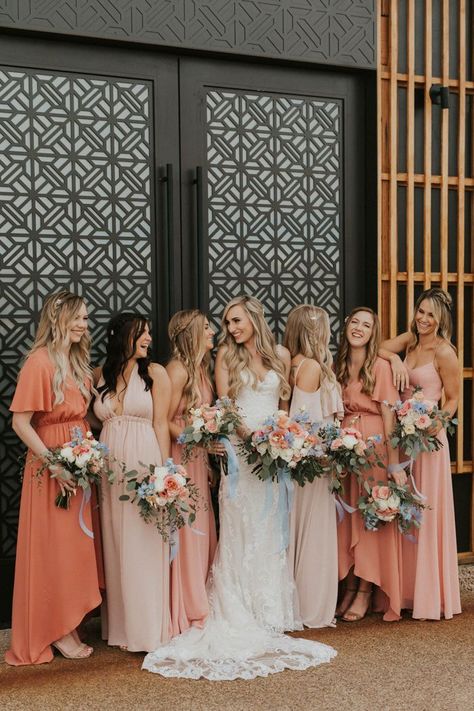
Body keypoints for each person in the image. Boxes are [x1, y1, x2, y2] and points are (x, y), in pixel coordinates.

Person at [142, 295, 336, 680]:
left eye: (236, 321)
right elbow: (225, 407)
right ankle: (239, 606)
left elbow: (284, 403)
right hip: (241, 455)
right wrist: (248, 435)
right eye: (227, 322)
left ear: (255, 317)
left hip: (272, 453)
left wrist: (282, 437)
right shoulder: (225, 358)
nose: (231, 329)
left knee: (270, 528)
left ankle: (271, 610)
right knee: (241, 526)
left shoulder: (280, 355)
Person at [6, 291, 101, 664]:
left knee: (74, 546)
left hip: (77, 461)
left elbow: (84, 417)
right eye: (78, 318)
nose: (83, 325)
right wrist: (55, 464)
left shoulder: (76, 361)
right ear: (58, 318)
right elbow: (19, 422)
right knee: (55, 546)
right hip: (51, 466)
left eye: (87, 319)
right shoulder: (40, 362)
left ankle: (68, 620)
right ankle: (57, 630)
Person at [379, 288, 461, 620]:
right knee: (406, 511)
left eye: (430, 314)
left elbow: (453, 399)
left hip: (428, 438)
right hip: (402, 433)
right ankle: (408, 591)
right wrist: (396, 358)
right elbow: (381, 348)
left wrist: (433, 424)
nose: (423, 319)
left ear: (441, 319)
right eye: (420, 311)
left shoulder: (445, 352)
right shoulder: (409, 341)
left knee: (426, 510)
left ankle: (431, 595)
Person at [93, 313, 172, 651]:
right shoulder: (100, 375)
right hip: (110, 469)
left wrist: (164, 471)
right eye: (142, 332)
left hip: (144, 461)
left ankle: (148, 628)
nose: (148, 338)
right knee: (115, 541)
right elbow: (91, 422)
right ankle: (122, 628)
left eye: (150, 333)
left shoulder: (155, 373)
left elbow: (161, 423)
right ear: (123, 336)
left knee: (143, 540)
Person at [335, 307, 406, 622]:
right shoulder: (338, 364)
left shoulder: (380, 366)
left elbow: (390, 418)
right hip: (346, 447)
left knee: (368, 517)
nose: (359, 328)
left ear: (373, 333)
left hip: (375, 446)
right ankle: (349, 584)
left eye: (366, 325)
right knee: (346, 518)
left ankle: (365, 589)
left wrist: (394, 466)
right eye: (355, 322)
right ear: (347, 326)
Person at [284, 304, 343, 628]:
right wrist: (331, 450)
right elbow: (303, 422)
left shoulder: (298, 363)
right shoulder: (310, 367)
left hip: (310, 461)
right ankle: (310, 606)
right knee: (311, 533)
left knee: (301, 530)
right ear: (315, 332)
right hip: (312, 464)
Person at [166, 310, 219, 635]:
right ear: (192, 333)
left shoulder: (202, 370)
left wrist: (208, 457)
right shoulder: (177, 370)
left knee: (202, 525)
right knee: (187, 528)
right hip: (181, 456)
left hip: (199, 458)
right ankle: (188, 603)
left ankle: (200, 595)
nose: (212, 332)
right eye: (207, 327)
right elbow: (165, 418)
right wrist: (194, 438)